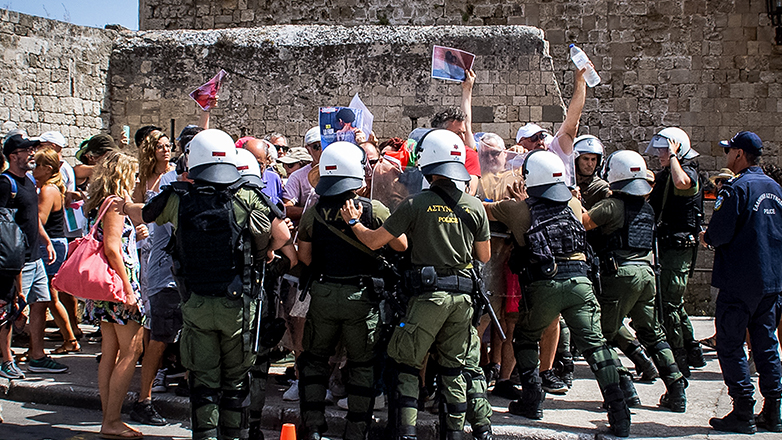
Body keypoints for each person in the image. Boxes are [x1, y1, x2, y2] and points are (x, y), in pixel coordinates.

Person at [128, 129, 290, 440]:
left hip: (196, 303)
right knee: (236, 382)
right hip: (238, 305)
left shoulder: (177, 198)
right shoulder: (246, 196)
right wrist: (264, 252)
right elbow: (281, 234)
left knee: (204, 382)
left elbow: (145, 213)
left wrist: (124, 206)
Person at [341, 129, 491, 440]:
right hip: (463, 300)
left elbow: (374, 241)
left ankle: (406, 433)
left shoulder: (415, 204)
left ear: (427, 165)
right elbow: (484, 256)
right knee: (453, 369)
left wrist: (354, 222)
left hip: (427, 298)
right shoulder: (474, 206)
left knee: (406, 364)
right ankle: (454, 434)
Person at [484, 150, 630, 437]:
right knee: (595, 346)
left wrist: (517, 200)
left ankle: (532, 400)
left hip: (544, 285)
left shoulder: (516, 210)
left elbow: (481, 209)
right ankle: (619, 411)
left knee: (526, 338)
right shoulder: (574, 203)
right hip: (581, 283)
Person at [296, 141, 405, 440]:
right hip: (362, 298)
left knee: (315, 362)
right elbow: (401, 245)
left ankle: (313, 427)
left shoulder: (314, 213)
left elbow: (305, 257)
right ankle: (356, 431)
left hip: (324, 294)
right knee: (362, 366)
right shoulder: (374, 209)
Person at [582, 150, 687, 412]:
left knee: (601, 335)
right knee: (652, 332)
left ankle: (623, 387)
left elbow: (583, 223)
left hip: (620, 275)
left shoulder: (611, 206)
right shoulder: (647, 208)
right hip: (647, 274)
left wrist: (575, 200)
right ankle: (676, 388)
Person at [701, 131, 782, 434]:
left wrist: (706, 237)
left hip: (739, 280)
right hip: (771, 280)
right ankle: (773, 410)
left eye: (729, 151)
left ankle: (743, 409)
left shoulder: (736, 188)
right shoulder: (775, 188)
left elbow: (719, 233)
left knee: (731, 343)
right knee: (766, 345)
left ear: (739, 154)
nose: (727, 156)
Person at [573, 135, 658, 383]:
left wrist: (575, 203)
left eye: (593, 160)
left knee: (602, 320)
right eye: (585, 159)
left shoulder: (602, 189)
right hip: (587, 253)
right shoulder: (571, 182)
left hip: (601, 256)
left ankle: (627, 371)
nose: (589, 164)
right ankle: (642, 361)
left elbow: (592, 220)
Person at [83, 151, 145, 439]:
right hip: (119, 286)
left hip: (105, 288)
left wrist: (136, 235)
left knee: (110, 351)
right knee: (132, 350)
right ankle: (112, 420)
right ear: (122, 175)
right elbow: (111, 248)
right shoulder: (116, 204)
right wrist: (129, 290)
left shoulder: (100, 202)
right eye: (133, 174)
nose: (136, 179)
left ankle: (109, 416)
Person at [0, 134, 67, 377]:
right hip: (16, 259)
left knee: (41, 303)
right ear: (13, 156)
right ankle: (6, 360)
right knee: (10, 310)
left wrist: (46, 241)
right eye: (26, 150)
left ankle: (36, 355)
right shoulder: (5, 184)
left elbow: (33, 218)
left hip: (35, 256)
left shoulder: (28, 181)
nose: (31, 153)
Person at [645, 127, 706, 377]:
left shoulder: (687, 172)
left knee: (668, 305)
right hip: (668, 246)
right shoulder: (667, 175)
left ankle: (678, 359)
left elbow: (682, 183)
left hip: (677, 248)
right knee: (675, 303)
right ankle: (693, 351)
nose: (659, 154)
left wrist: (673, 156)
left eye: (664, 150)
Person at [32, 147, 80, 355]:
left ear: (47, 168)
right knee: (48, 296)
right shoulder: (50, 188)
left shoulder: (48, 190)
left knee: (50, 296)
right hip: (53, 243)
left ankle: (70, 338)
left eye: (37, 165)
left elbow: (39, 221)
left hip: (50, 244)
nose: (33, 169)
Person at [514, 68, 589, 187]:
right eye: (533, 138)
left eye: (542, 136)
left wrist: (580, 82)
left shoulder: (555, 151)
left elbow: (572, 122)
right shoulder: (516, 163)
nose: (540, 141)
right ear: (521, 143)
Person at [430, 69, 481, 195]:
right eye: (457, 134)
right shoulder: (426, 152)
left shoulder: (468, 154)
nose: (463, 138)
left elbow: (470, 191)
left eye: (463, 133)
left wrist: (467, 89)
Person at [238, 137, 284, 205]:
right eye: (250, 163)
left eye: (259, 164)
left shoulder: (273, 179)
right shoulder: (236, 180)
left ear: (267, 160)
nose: (254, 168)